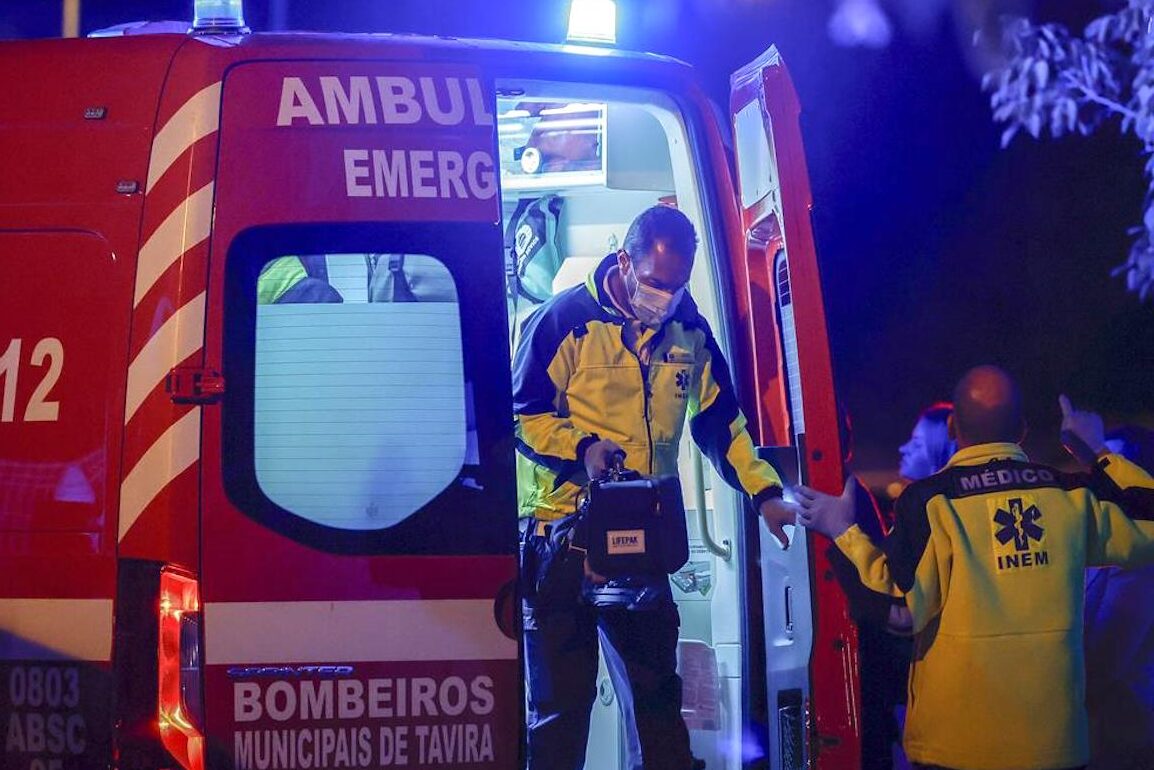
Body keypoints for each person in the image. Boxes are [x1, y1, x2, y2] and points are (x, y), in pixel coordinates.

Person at [513, 204, 795, 770]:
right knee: (558, 719)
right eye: (654, 283)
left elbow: (721, 423)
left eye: (676, 284)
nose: (664, 297)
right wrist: (583, 449)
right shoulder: (562, 321)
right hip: (561, 542)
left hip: (639, 540)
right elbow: (521, 417)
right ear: (624, 261)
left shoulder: (688, 330)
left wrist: (765, 493)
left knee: (659, 714)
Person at [795, 365, 1154, 770]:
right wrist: (1096, 451)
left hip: (957, 748)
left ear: (953, 427)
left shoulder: (930, 502)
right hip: (1054, 747)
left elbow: (899, 610)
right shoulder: (1069, 496)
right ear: (1021, 428)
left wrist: (842, 531)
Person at [1083, 425, 1154, 770]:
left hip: (1124, 736)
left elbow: (1102, 661)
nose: (1102, 478)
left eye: (1112, 466)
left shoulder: (1138, 563)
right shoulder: (1106, 545)